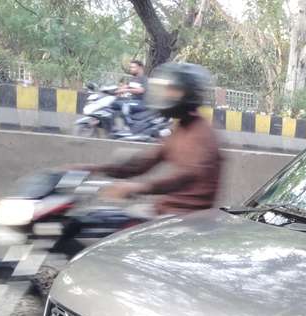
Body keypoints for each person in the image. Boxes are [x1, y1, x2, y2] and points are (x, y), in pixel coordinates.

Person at [90, 63, 222, 215]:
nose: (166, 95)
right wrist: (93, 169)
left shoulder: (202, 133)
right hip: (164, 211)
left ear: (189, 94)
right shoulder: (179, 129)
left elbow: (185, 176)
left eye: (173, 90)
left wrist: (138, 188)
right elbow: (144, 163)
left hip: (185, 220)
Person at [114, 59, 147, 129]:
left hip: (141, 102)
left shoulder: (144, 79)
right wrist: (115, 91)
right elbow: (124, 87)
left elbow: (141, 90)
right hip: (133, 101)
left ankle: (129, 125)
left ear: (140, 68)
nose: (130, 69)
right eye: (130, 67)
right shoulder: (133, 79)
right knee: (115, 103)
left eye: (133, 67)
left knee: (124, 104)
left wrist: (126, 90)